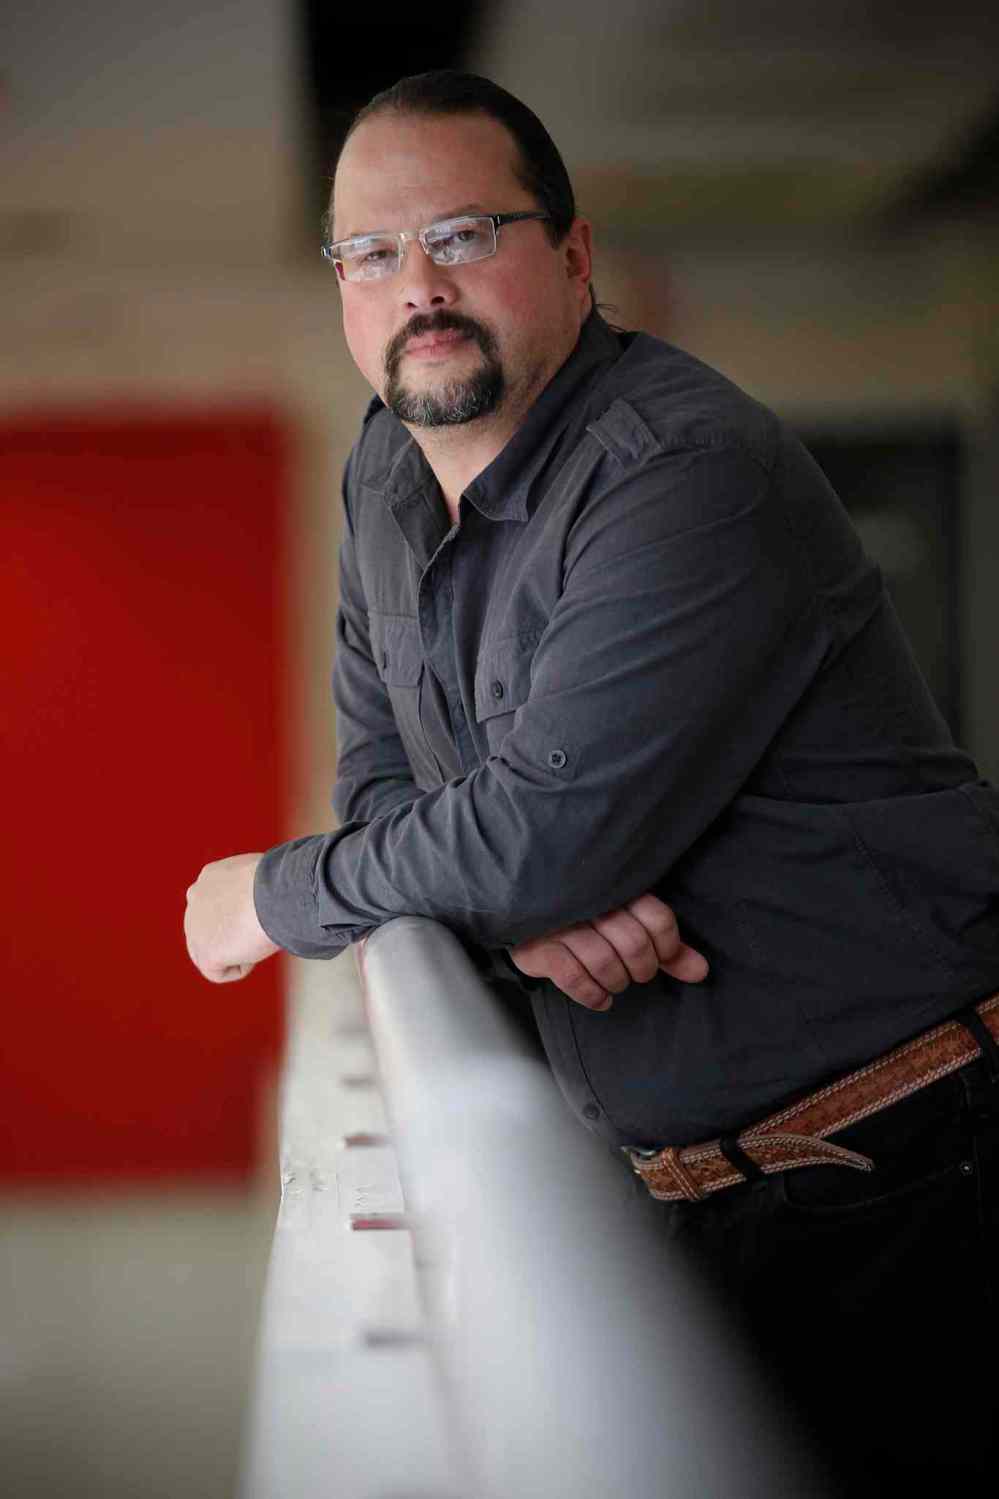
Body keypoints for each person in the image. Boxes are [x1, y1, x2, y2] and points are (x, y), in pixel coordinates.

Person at [185, 71, 999, 1491]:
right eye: (371, 252)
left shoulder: (683, 470)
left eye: (463, 234)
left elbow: (536, 837)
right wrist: (525, 908)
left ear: (571, 256)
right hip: (694, 1200)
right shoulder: (385, 473)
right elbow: (392, 791)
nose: (418, 286)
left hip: (922, 1169)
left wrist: (273, 893)